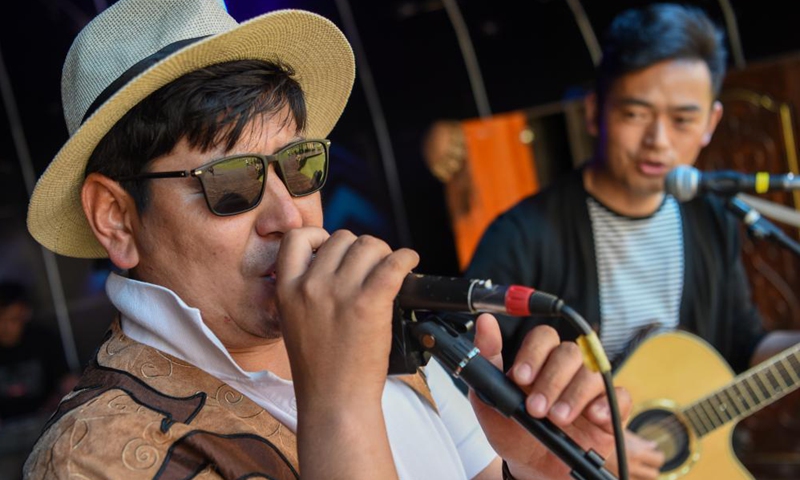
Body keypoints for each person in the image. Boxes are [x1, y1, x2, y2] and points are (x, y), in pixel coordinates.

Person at [22, 0, 631, 478]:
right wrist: (340, 399)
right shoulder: (89, 456)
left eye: (299, 165)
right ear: (117, 219)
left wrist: (533, 469)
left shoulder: (387, 339)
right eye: (230, 182)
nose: (289, 216)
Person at [464, 3, 800, 479]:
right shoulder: (523, 235)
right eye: (636, 113)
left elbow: (743, 343)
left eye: (683, 120)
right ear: (595, 111)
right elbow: (464, 376)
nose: (658, 140)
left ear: (711, 123)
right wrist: (570, 452)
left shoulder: (711, 218)